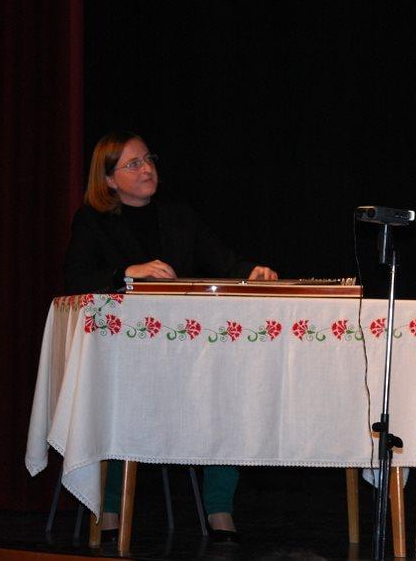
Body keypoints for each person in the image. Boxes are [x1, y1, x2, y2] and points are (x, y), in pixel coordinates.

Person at [64, 131, 277, 542]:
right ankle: (110, 508)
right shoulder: (92, 220)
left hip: (185, 355)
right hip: (125, 358)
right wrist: (127, 273)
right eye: (133, 164)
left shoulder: (179, 216)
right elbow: (76, 279)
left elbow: (224, 262)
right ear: (108, 179)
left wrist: (252, 272)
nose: (147, 169)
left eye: (148, 159)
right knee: (116, 402)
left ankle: (219, 508)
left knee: (225, 396)